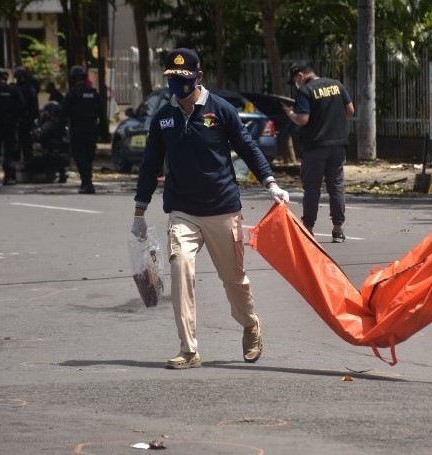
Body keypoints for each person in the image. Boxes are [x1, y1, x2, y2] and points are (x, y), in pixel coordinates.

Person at [130, 48, 290, 369]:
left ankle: (250, 324)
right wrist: (139, 211)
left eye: (184, 79)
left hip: (222, 209)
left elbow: (247, 146)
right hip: (183, 211)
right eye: (173, 80)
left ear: (198, 77)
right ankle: (189, 350)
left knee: (233, 279)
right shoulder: (163, 118)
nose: (179, 87)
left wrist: (270, 182)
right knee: (180, 269)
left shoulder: (220, 110)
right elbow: (149, 165)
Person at [282, 60, 355, 242]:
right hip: (338, 145)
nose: (296, 84)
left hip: (315, 147)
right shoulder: (337, 85)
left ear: (300, 76)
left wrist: (290, 114)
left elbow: (303, 119)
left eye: (295, 80)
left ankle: (308, 228)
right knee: (336, 186)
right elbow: (350, 110)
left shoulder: (305, 91)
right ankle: (338, 229)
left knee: (312, 189)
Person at [61, 65, 104, 194]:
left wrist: (59, 133)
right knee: (89, 157)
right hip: (91, 129)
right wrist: (103, 132)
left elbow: (63, 115)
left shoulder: (72, 94)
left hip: (78, 129)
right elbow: (102, 114)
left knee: (80, 157)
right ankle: (87, 182)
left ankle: (86, 183)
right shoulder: (93, 93)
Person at [0, 67, 24, 185]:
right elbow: (21, 104)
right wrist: (11, 115)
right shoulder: (14, 89)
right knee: (9, 152)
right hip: (10, 125)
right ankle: (7, 177)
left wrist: (1, 115)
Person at [30, 100, 69, 183]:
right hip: (64, 157)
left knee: (31, 163)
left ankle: (49, 173)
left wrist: (37, 126)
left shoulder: (50, 124)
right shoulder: (63, 124)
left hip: (51, 156)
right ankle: (60, 173)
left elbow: (39, 136)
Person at [14, 66, 40, 163]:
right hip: (23, 119)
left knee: (23, 143)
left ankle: (25, 161)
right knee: (23, 143)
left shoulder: (27, 89)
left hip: (24, 119)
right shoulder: (28, 88)